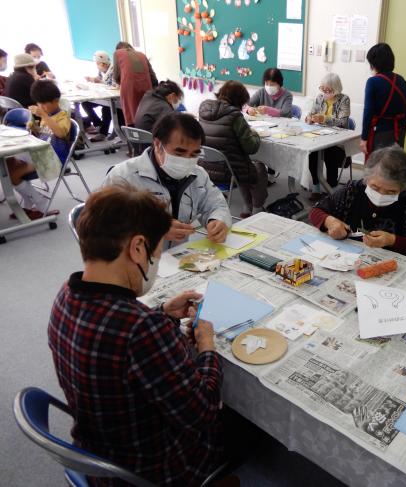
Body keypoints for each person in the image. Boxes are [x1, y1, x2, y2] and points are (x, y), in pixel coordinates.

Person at [48, 184, 226, 486]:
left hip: (98, 453)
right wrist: (207, 345)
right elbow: (203, 410)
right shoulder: (141, 329)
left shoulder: (66, 293)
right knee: (244, 426)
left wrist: (162, 312)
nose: (154, 262)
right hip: (151, 471)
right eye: (157, 252)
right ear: (138, 248)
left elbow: (117, 336)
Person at [103, 112, 231, 244]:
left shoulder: (198, 175)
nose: (187, 160)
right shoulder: (122, 177)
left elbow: (216, 204)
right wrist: (155, 229)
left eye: (194, 154)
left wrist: (217, 220)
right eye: (179, 152)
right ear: (158, 145)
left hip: (176, 257)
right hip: (133, 260)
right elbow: (104, 227)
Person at [310, 145, 406, 262]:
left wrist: (392, 240)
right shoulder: (353, 191)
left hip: (387, 264)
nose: (381, 195)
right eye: (375, 187)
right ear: (366, 178)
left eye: (391, 192)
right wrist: (330, 221)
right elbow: (316, 211)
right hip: (345, 258)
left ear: (402, 188)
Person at [199, 80, 267, 219]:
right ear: (239, 100)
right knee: (258, 167)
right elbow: (251, 147)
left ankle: (247, 206)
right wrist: (254, 134)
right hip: (228, 172)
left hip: (205, 168)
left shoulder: (204, 110)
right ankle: (257, 208)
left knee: (241, 163)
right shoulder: (235, 116)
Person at [6, 79, 68, 219]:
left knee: (13, 174)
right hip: (41, 153)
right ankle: (28, 204)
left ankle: (40, 203)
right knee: (9, 162)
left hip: (53, 158)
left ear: (56, 101)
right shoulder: (47, 116)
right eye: (39, 103)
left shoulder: (63, 117)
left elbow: (60, 133)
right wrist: (35, 128)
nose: (41, 106)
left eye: (44, 103)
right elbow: (45, 133)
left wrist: (43, 115)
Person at [361, 43, 406, 160]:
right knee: (394, 167)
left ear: (373, 63)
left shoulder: (373, 82)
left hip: (381, 133)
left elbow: (368, 112)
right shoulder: (401, 80)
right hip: (399, 131)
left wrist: (364, 138)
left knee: (378, 170)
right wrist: (401, 122)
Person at [306, 73, 351, 201]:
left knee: (331, 154)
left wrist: (324, 119)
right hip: (319, 137)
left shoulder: (344, 100)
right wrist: (309, 118)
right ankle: (316, 186)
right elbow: (310, 113)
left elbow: (342, 122)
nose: (325, 92)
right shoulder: (319, 98)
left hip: (337, 141)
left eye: (329, 90)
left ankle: (332, 187)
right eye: (323, 89)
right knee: (312, 154)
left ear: (336, 89)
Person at [113, 41, 158, 126]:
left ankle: (132, 136)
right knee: (145, 113)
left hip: (129, 88)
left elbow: (116, 76)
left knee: (131, 114)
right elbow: (153, 77)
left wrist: (120, 83)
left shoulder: (118, 54)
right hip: (146, 87)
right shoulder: (141, 54)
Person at [81, 50, 121, 142]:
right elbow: (100, 79)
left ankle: (103, 132)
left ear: (104, 63)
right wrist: (92, 79)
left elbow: (115, 85)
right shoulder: (101, 70)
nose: (98, 66)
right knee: (85, 103)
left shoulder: (113, 70)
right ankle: (98, 123)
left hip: (113, 98)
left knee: (106, 108)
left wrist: (101, 82)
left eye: (99, 63)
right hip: (102, 96)